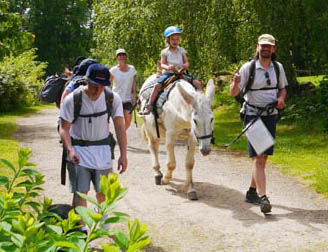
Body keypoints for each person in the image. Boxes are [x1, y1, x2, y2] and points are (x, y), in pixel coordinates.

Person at [230, 34, 287, 214]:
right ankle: (263, 198)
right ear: (257, 47)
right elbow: (234, 93)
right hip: (252, 114)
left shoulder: (278, 68)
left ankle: (252, 192)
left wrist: (281, 99)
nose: (266, 49)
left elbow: (283, 88)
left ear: (274, 49)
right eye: (263, 46)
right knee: (259, 156)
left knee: (262, 157)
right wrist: (235, 83)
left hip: (271, 115)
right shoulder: (248, 68)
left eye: (269, 46)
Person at [59, 63, 127, 211]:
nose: (98, 90)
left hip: (103, 153)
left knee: (103, 193)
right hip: (78, 152)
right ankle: (82, 230)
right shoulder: (73, 99)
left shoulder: (112, 98)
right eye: (95, 85)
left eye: (102, 86)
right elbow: (64, 128)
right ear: (87, 80)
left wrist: (123, 154)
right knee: (80, 194)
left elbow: (120, 127)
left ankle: (102, 222)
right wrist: (70, 150)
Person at [144, 26, 202, 113]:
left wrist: (185, 65)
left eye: (177, 39)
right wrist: (168, 67)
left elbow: (186, 62)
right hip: (169, 73)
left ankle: (202, 102)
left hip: (181, 73)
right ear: (168, 40)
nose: (175, 41)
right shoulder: (165, 52)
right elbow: (162, 64)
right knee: (157, 86)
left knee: (197, 83)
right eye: (173, 39)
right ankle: (150, 104)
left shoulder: (181, 50)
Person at [110, 49, 137, 129]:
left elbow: (134, 84)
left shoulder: (132, 69)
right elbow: (108, 83)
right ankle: (121, 138)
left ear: (126, 56)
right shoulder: (113, 70)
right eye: (119, 55)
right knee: (119, 121)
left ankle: (122, 134)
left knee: (128, 122)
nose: (121, 57)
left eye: (123, 55)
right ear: (117, 57)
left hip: (128, 99)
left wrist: (134, 96)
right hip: (116, 99)